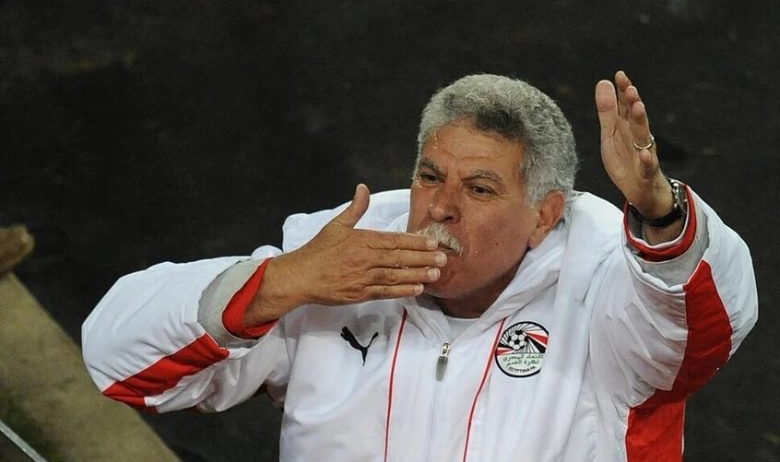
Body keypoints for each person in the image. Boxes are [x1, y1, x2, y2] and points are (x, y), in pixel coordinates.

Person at [82, 71, 758, 461]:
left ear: (544, 215)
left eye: (480, 189)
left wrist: (662, 213)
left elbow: (706, 327)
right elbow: (117, 363)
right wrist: (280, 284)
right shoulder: (338, 260)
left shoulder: (607, 292)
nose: (440, 207)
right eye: (431, 176)